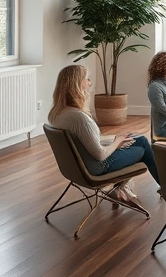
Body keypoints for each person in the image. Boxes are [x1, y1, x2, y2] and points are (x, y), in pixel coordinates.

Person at [47, 64, 159, 209]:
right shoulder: (80, 119)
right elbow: (100, 155)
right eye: (86, 79)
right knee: (143, 144)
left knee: (133, 138)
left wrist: (115, 139)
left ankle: (119, 189)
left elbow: (84, 142)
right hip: (97, 167)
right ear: (77, 85)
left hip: (75, 167)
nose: (89, 83)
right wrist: (117, 142)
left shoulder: (56, 114)